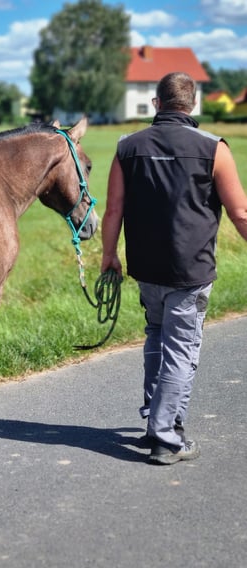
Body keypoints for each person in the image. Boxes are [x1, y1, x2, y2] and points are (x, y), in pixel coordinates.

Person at [101, 71, 247, 465]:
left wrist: (109, 254)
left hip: (146, 267)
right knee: (180, 349)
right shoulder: (213, 147)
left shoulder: (127, 147)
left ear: (157, 104)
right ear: (193, 104)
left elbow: (113, 209)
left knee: (155, 336)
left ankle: (155, 418)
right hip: (191, 269)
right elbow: (241, 213)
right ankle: (166, 437)